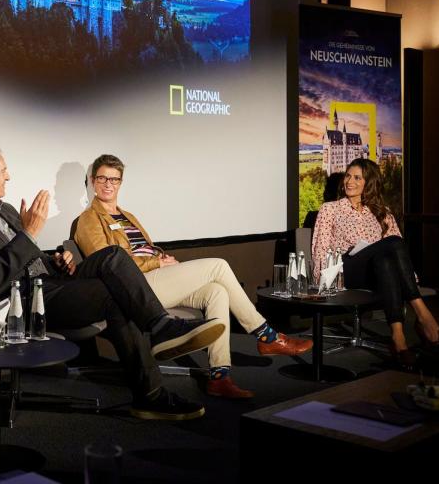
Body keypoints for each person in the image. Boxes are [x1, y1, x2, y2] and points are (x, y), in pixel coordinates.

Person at [0, 143, 225, 421]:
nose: (8, 176)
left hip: (49, 281)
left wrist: (56, 260)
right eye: (3, 170)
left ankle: (160, 326)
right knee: (115, 296)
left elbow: (27, 256)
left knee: (112, 255)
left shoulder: (5, 211)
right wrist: (28, 234)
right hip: (22, 302)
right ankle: (152, 391)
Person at [74, 154, 312, 399]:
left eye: (114, 179)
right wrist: (157, 262)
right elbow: (109, 263)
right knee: (218, 266)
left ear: (121, 183)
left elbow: (145, 250)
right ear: (93, 181)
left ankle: (220, 376)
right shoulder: (88, 220)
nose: (108, 184)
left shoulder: (128, 216)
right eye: (102, 178)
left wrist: (163, 261)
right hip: (133, 289)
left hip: (156, 275)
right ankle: (266, 335)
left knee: (216, 292)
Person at [311, 158, 439, 369]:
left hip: (374, 273)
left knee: (385, 259)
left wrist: (409, 278)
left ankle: (398, 338)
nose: (349, 182)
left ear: (369, 183)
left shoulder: (382, 212)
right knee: (392, 242)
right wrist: (322, 281)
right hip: (344, 270)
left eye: (357, 178)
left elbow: (398, 255)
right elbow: (320, 248)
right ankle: (423, 314)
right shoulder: (330, 209)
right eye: (347, 176)